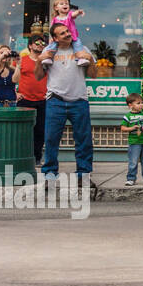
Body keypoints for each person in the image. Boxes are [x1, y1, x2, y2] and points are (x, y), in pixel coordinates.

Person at [38, 23, 95, 185]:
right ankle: (50, 173)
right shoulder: (49, 51)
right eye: (62, 33)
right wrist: (39, 61)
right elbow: (38, 76)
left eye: (68, 31)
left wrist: (90, 60)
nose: (67, 34)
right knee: (51, 139)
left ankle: (83, 174)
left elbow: (93, 75)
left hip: (79, 100)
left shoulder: (81, 49)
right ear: (55, 38)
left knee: (84, 140)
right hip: (55, 100)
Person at [16, 35, 49, 164]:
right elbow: (12, 79)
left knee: (40, 131)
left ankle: (37, 158)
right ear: (30, 45)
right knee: (23, 131)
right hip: (24, 99)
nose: (40, 45)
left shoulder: (46, 61)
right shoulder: (22, 60)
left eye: (42, 43)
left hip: (42, 100)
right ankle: (22, 156)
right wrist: (15, 92)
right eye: (37, 42)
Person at [121, 92, 143, 186]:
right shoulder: (128, 116)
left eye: (142, 103)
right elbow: (123, 128)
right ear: (130, 105)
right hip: (134, 142)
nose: (141, 105)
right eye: (138, 103)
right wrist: (131, 128)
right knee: (133, 161)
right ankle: (131, 178)